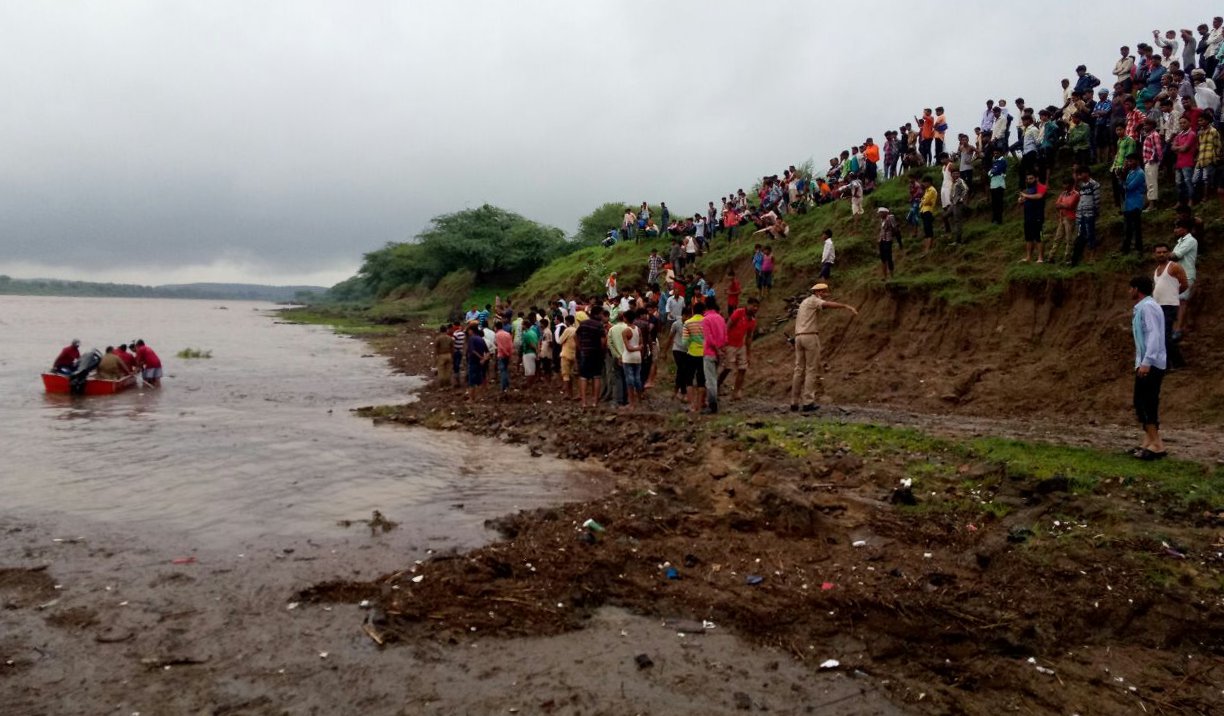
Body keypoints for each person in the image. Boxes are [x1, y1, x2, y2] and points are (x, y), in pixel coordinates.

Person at [789, 284, 857, 412]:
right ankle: (808, 402)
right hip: (810, 336)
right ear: (819, 292)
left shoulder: (804, 302)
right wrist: (845, 306)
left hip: (798, 337)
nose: (826, 295)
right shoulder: (814, 300)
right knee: (811, 369)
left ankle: (794, 402)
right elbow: (826, 304)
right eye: (825, 293)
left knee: (798, 370)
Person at [1128, 275, 1167, 460]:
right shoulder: (1144, 307)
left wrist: (1146, 362)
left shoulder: (1148, 307)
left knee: (1144, 403)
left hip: (1151, 363)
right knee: (1144, 401)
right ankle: (1148, 441)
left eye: (1131, 288)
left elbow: (1153, 335)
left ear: (1136, 289)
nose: (1129, 292)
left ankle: (1157, 444)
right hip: (1147, 362)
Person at [1152, 244, 1188, 369]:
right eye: (1158, 252)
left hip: (1170, 305)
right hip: (1158, 306)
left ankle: (1179, 363)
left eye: (1164, 252)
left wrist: (1173, 294)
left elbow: (1184, 284)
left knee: (1165, 336)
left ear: (1169, 253)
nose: (1161, 254)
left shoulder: (1174, 267)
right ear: (1154, 254)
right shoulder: (1156, 270)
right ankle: (1167, 364)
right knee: (1161, 336)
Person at [718, 297, 758, 401]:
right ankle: (717, 385)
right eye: (753, 306)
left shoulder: (752, 321)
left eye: (757, 307)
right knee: (728, 367)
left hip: (741, 345)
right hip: (730, 344)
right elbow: (728, 326)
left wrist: (748, 353)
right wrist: (723, 342)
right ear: (748, 304)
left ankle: (736, 392)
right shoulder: (739, 312)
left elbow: (749, 337)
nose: (755, 308)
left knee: (743, 368)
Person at [1169, 217, 1199, 339]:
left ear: (1185, 229)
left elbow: (1176, 256)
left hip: (1186, 275)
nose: (1175, 230)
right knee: (1176, 302)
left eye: (1177, 227)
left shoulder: (1190, 241)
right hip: (1177, 275)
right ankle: (1174, 328)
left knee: (1182, 302)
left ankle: (1179, 329)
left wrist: (1163, 255)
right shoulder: (1180, 241)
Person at [576, 306, 606, 409]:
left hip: (584, 353)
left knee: (583, 377)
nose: (602, 316)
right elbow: (602, 341)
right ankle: (594, 402)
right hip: (596, 353)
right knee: (596, 377)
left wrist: (580, 347)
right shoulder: (599, 325)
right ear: (597, 314)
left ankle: (584, 402)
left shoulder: (583, 324)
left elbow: (576, 336)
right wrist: (602, 351)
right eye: (601, 314)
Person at [1071, 166, 1102, 266]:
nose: (1080, 176)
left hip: (1090, 214)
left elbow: (1097, 200)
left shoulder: (1094, 184)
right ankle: (1079, 258)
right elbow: (1074, 191)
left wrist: (1096, 211)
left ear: (1087, 173)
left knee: (1090, 234)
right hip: (1081, 214)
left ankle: (1092, 256)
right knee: (1080, 236)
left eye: (1082, 173)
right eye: (1079, 174)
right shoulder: (1080, 185)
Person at [701, 299, 727, 414]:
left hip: (710, 352)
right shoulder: (721, 318)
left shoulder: (706, 319)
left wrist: (716, 349)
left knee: (710, 380)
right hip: (720, 352)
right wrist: (721, 350)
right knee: (714, 378)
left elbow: (709, 338)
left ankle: (712, 405)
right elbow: (725, 336)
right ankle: (713, 403)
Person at [682, 303, 706, 413]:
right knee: (701, 380)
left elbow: (684, 342)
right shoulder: (707, 322)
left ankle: (692, 405)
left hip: (691, 353)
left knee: (689, 379)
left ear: (693, 310)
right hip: (704, 354)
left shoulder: (687, 323)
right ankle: (700, 406)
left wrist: (691, 345)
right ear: (703, 311)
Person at [1017, 173, 1047, 263]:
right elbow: (1020, 200)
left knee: (1039, 237)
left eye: (1031, 178)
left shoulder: (1041, 187)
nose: (1029, 180)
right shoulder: (1027, 190)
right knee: (1028, 238)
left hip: (1037, 216)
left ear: (1036, 178)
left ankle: (1040, 258)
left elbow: (1039, 196)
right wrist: (1020, 200)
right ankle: (1028, 257)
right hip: (1027, 217)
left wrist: (1025, 196)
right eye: (1028, 179)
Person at [1049, 178, 1079, 264]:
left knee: (1069, 239)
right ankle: (1051, 256)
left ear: (1070, 184)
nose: (1064, 186)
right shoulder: (1063, 193)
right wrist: (1063, 205)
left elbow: (1070, 205)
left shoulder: (1076, 194)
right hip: (1062, 218)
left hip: (1070, 218)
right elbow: (1056, 205)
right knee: (1057, 238)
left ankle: (1067, 258)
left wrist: (1061, 205)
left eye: (1065, 184)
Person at [1121, 153, 1146, 255]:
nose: (1129, 163)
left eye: (1131, 161)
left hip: (1136, 203)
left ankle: (1139, 249)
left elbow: (1129, 187)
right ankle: (1126, 249)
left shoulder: (1140, 173)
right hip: (1128, 204)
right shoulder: (1131, 172)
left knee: (1136, 227)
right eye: (1128, 161)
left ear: (1136, 160)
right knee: (1128, 228)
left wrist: (1123, 182)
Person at [619, 310, 643, 409]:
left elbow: (628, 347)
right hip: (637, 357)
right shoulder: (638, 329)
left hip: (628, 357)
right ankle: (639, 399)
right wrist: (638, 348)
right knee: (637, 378)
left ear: (625, 318)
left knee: (629, 380)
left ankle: (631, 403)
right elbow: (641, 344)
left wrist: (635, 348)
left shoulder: (625, 331)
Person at [465, 324, 488, 401]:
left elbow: (472, 351)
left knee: (471, 382)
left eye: (469, 331)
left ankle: (471, 399)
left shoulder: (471, 339)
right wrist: (483, 359)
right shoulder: (481, 339)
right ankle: (479, 397)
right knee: (479, 381)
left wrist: (480, 357)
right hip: (480, 363)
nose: (468, 332)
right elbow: (487, 352)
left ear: (472, 331)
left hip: (473, 362)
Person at [558, 315, 578, 399]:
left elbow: (560, 341)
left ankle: (567, 394)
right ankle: (574, 393)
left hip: (566, 354)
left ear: (567, 321)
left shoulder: (567, 330)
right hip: (574, 354)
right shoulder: (576, 329)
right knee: (573, 375)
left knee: (565, 375)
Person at [877, 207, 900, 279]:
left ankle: (892, 275)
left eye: (881, 213)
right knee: (883, 258)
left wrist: (894, 236)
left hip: (888, 240)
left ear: (885, 213)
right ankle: (885, 276)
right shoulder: (882, 220)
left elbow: (895, 228)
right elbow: (882, 230)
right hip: (882, 240)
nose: (880, 214)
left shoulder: (890, 218)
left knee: (889, 257)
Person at [948, 168, 968, 244]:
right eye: (954, 173)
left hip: (958, 203)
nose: (955, 175)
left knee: (958, 221)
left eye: (957, 173)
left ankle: (958, 240)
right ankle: (951, 232)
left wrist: (961, 198)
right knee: (945, 216)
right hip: (953, 203)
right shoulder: (954, 182)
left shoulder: (960, 181)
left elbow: (966, 189)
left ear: (959, 174)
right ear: (951, 175)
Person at [919, 176, 938, 254]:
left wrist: (923, 201)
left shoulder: (932, 190)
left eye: (925, 182)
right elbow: (922, 202)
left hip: (928, 211)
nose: (924, 184)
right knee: (926, 229)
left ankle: (928, 248)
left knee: (928, 229)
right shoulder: (927, 190)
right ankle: (926, 248)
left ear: (929, 182)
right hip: (924, 211)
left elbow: (925, 201)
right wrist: (923, 201)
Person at [988, 154, 1007, 225]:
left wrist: (992, 172)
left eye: (996, 153)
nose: (995, 154)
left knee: (999, 204)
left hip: (999, 185)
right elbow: (989, 173)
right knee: (994, 204)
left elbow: (997, 171)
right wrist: (992, 172)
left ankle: (999, 220)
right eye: (994, 153)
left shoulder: (1002, 161)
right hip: (993, 185)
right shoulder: (995, 162)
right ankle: (995, 219)